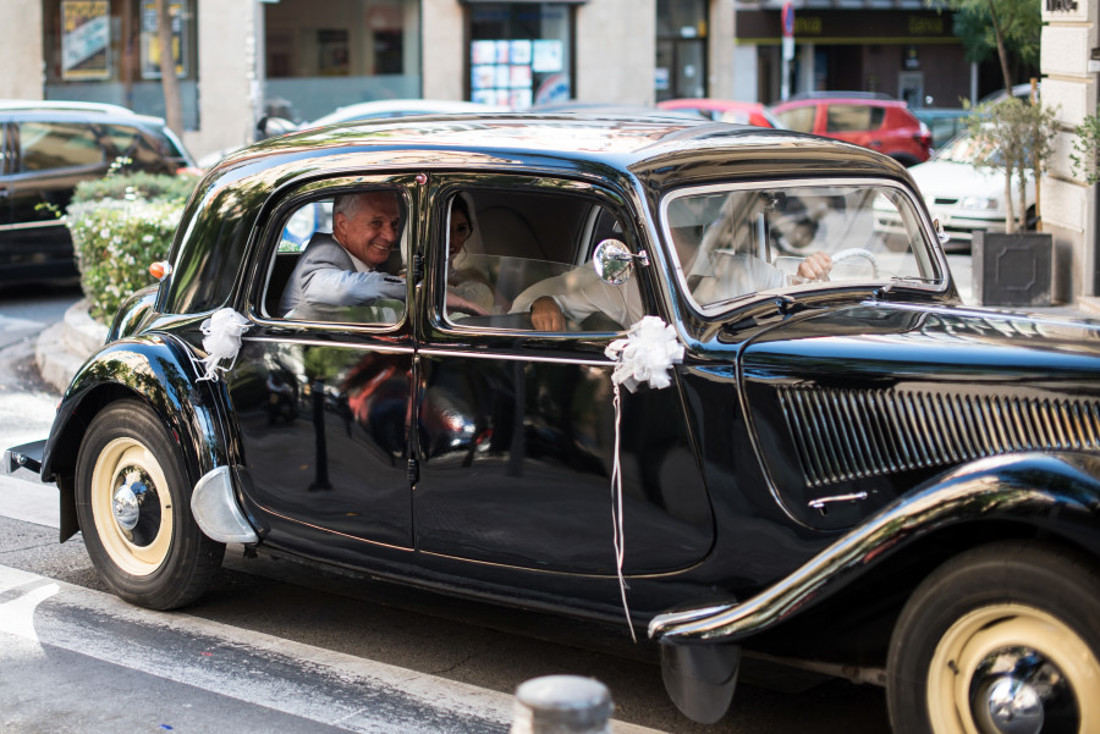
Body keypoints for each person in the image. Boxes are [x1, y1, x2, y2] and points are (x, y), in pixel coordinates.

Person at [510, 219, 832, 332]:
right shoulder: (628, 281)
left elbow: (792, 301)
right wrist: (545, 303)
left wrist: (808, 277)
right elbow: (563, 300)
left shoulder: (743, 269)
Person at [280, 190, 406, 317]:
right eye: (376, 223)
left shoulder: (361, 256)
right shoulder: (323, 252)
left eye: (394, 224)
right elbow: (343, 290)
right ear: (343, 224)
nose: (390, 237)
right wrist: (409, 288)